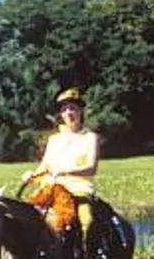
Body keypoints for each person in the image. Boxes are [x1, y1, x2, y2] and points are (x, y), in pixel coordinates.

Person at [21, 88, 101, 250]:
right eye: (64, 109)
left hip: (78, 191)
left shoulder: (90, 138)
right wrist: (32, 175)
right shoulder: (54, 139)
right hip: (50, 189)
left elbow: (91, 168)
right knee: (22, 219)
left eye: (73, 108)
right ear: (61, 115)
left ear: (80, 111)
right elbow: (44, 166)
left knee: (87, 222)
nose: (69, 113)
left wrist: (66, 171)